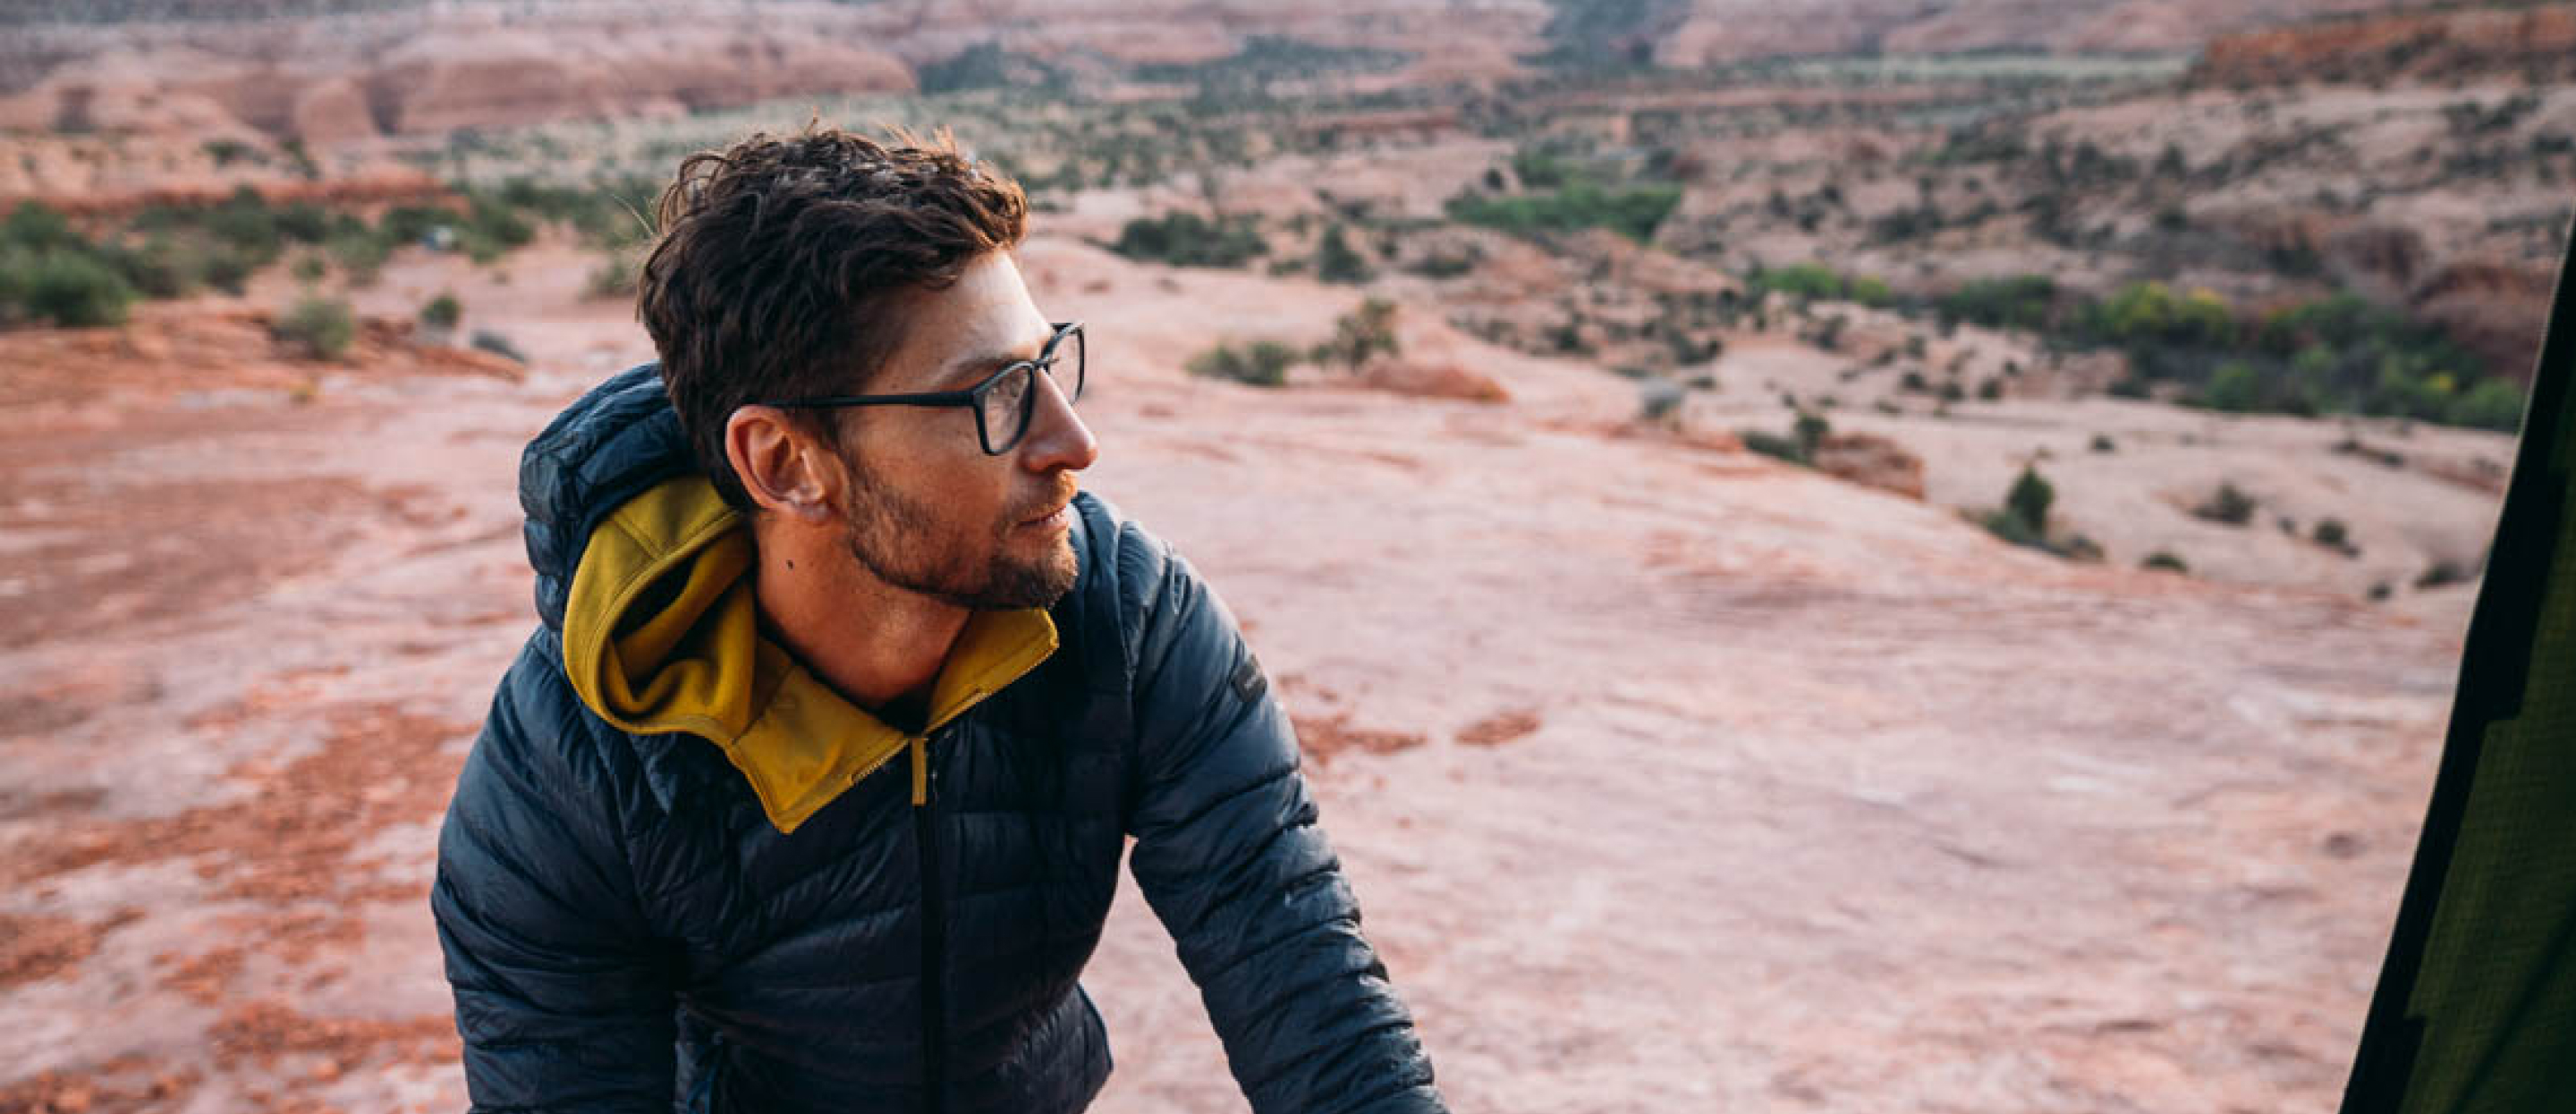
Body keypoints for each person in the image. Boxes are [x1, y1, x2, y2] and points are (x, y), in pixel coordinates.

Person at [429, 122, 1447, 1114]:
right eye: (994, 395)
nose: (1073, 441)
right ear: (785, 463)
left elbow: (1307, 985)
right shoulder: (575, 764)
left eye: (1047, 365)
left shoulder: (1129, 613)